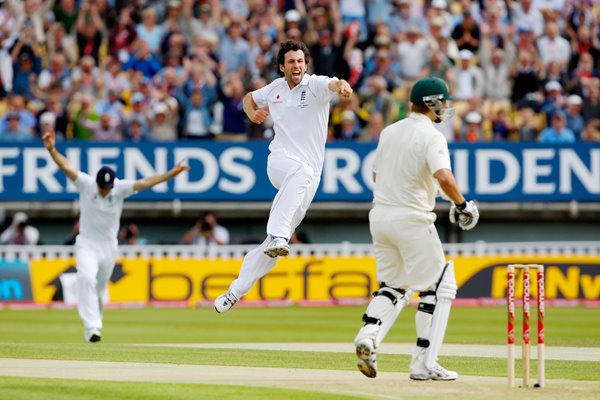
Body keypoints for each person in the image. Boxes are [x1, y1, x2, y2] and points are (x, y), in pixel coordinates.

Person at [353, 76, 479, 381]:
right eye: (444, 102)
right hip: (412, 219)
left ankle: (368, 337)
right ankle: (424, 364)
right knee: (439, 286)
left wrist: (428, 190)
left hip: (381, 217)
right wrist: (462, 205)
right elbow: (445, 177)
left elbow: (378, 176)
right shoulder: (432, 136)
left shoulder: (389, 132)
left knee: (394, 287)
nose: (446, 108)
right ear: (433, 103)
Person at [214, 40, 353, 313]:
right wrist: (251, 112)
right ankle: (278, 236)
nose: (297, 65)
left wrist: (342, 86)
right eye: (291, 61)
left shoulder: (314, 85)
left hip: (307, 178)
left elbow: (333, 83)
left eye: (300, 61)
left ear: (306, 64)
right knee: (281, 230)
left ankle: (235, 291)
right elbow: (248, 98)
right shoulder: (275, 88)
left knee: (274, 246)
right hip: (279, 161)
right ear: (282, 66)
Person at [42, 128, 189, 343]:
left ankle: (94, 328)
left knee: (100, 290)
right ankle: (92, 326)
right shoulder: (86, 183)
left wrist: (173, 172)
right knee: (85, 278)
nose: (105, 191)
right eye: (103, 187)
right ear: (97, 183)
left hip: (109, 246)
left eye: (108, 188)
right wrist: (52, 149)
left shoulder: (119, 188)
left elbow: (147, 182)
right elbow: (66, 166)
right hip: (86, 243)